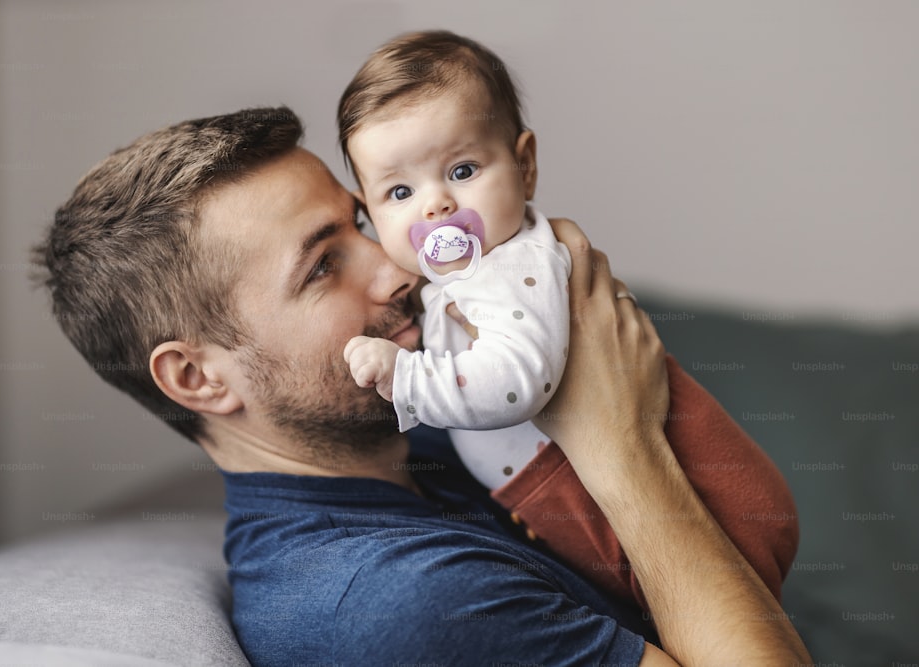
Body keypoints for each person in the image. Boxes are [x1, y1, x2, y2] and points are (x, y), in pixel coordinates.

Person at [33, 106, 812, 665]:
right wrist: (622, 442)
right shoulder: (398, 603)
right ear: (197, 377)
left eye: (360, 223)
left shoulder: (434, 432)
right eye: (321, 267)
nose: (398, 267)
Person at [338, 30, 798, 612]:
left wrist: (406, 377)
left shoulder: (512, 269)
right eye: (400, 190)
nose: (435, 206)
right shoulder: (464, 280)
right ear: (370, 211)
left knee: (670, 602)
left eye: (461, 170)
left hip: (589, 477)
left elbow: (516, 383)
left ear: (524, 165)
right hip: (553, 480)